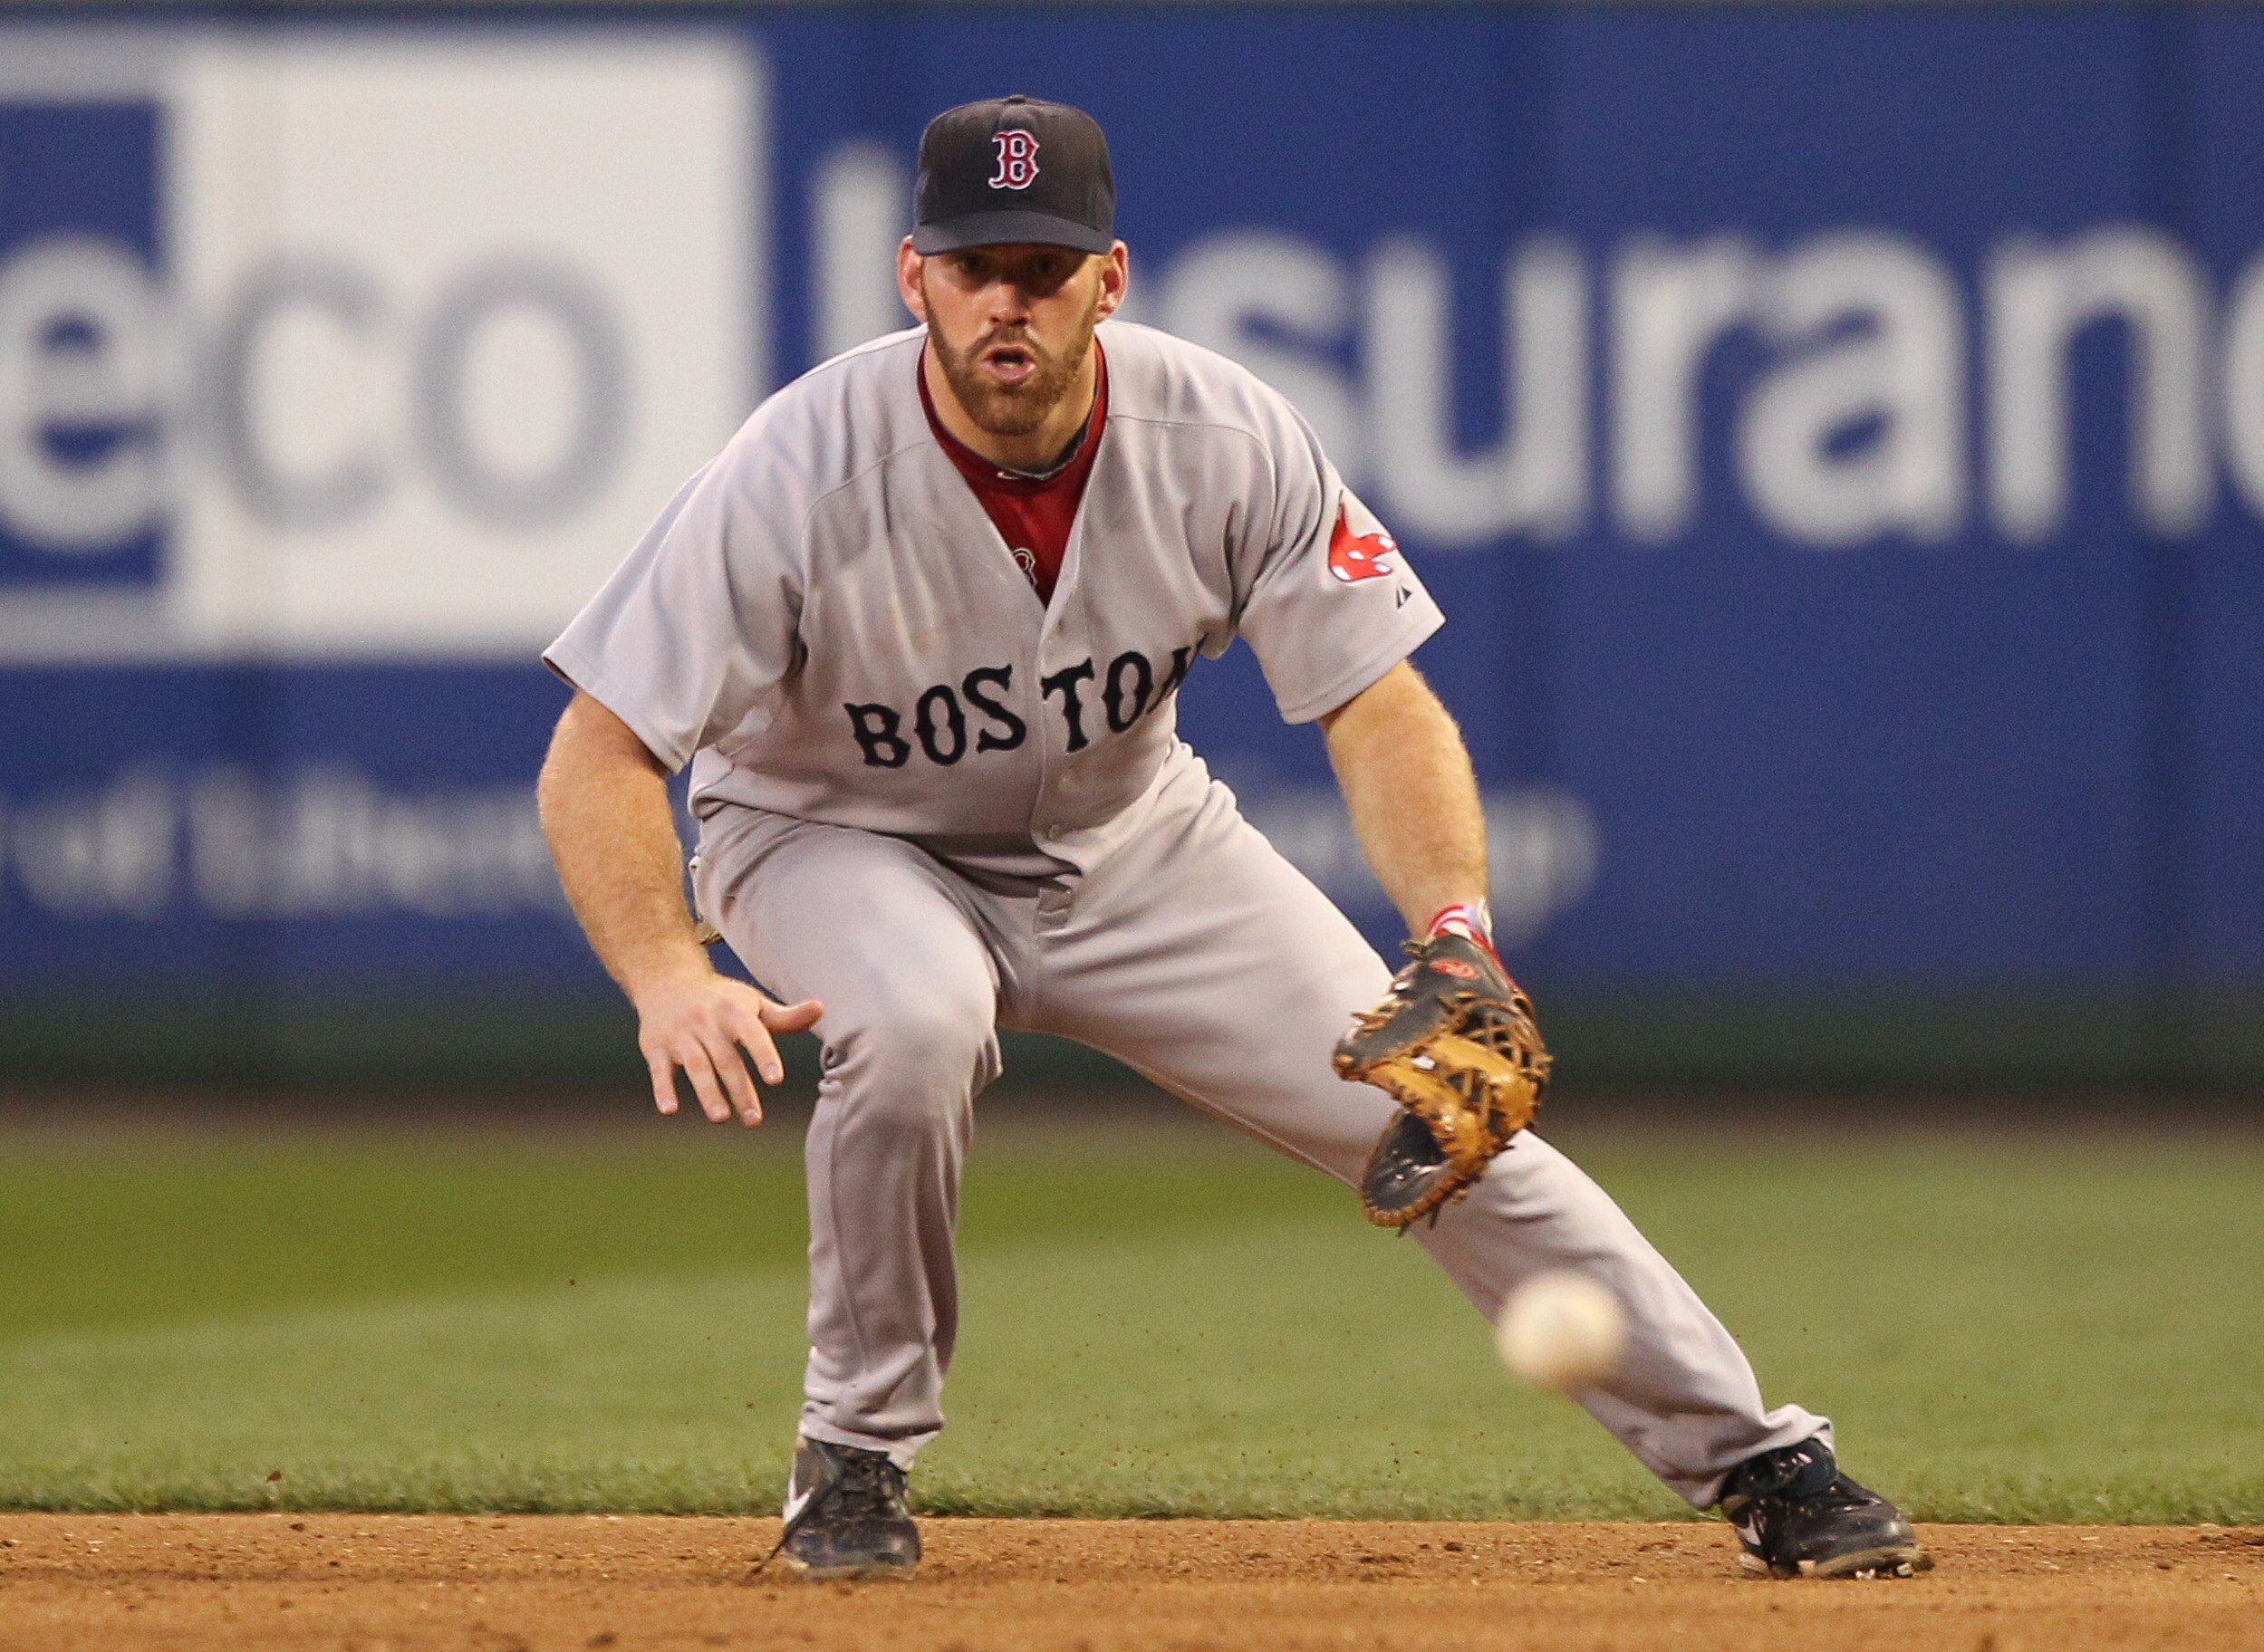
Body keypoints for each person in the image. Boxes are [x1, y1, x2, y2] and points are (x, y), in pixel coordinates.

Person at [535, 94, 1926, 1583]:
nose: (1007, 298)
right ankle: (854, 1455)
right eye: (973, 263)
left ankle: (1756, 1458)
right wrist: (668, 974)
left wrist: (1453, 932)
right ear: (912, 276)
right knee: (918, 1018)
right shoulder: (795, 467)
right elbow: (599, 748)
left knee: (1439, 1107)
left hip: (1132, 843)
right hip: (828, 836)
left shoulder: (1225, 435)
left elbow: (1377, 706)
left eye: (1044, 266)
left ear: (1109, 281)